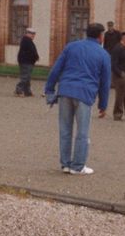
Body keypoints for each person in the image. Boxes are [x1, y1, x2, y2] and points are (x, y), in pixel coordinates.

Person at [44, 22, 112, 175]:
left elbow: (56, 68)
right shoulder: (104, 54)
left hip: (65, 90)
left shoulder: (71, 46)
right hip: (85, 94)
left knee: (65, 129)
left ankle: (66, 164)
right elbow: (105, 83)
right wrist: (103, 104)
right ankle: (78, 166)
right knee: (82, 132)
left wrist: (49, 89)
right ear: (101, 37)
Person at [15, 27, 39, 97]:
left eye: (34, 34)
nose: (33, 35)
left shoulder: (28, 41)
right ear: (27, 33)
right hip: (25, 62)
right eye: (31, 34)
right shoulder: (26, 40)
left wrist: (36, 57)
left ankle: (27, 91)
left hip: (28, 62)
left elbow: (32, 51)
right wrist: (35, 56)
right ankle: (18, 90)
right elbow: (30, 51)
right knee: (25, 77)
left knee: (27, 77)